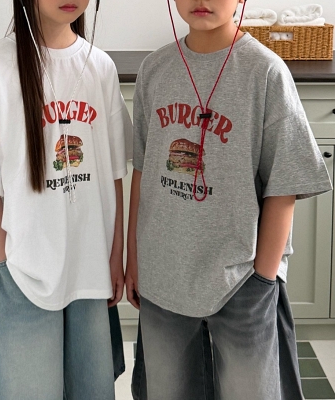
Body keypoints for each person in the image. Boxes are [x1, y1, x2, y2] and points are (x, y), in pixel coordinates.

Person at [125, 0, 332, 399]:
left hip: (241, 281)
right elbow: (143, 171)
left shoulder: (265, 71)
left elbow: (284, 185)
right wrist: (136, 259)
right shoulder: (155, 69)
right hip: (163, 276)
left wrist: (263, 279)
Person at [0, 0, 132, 399]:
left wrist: (115, 256)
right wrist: (6, 260)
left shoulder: (100, 67)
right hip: (19, 270)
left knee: (90, 388)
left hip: (87, 268)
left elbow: (113, 172)